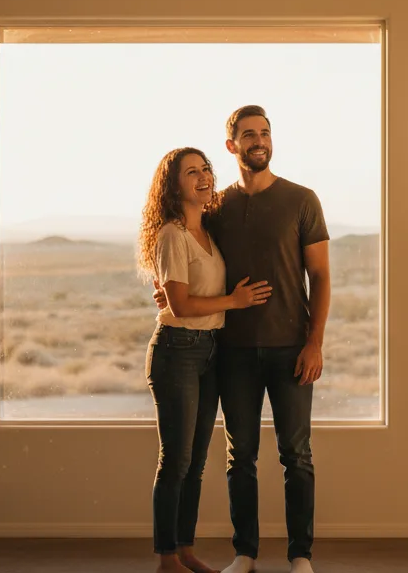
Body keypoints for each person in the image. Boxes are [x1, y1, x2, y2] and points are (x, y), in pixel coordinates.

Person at [154, 106, 331, 573]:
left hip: (292, 348)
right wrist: (166, 292)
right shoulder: (218, 207)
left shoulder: (303, 200)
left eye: (265, 133)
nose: (259, 141)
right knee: (241, 458)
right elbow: (190, 256)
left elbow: (322, 277)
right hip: (232, 354)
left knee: (297, 456)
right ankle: (245, 554)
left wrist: (315, 342)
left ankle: (300, 557)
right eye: (248, 134)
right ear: (231, 145)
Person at [137, 146, 274, 573]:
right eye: (190, 172)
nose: (202, 177)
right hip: (177, 350)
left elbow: (180, 292)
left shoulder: (206, 232)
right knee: (175, 459)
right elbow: (177, 306)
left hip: (209, 351)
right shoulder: (173, 235)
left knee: (195, 462)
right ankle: (165, 558)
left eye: (204, 169)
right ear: (172, 185)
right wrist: (234, 301)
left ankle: (184, 549)